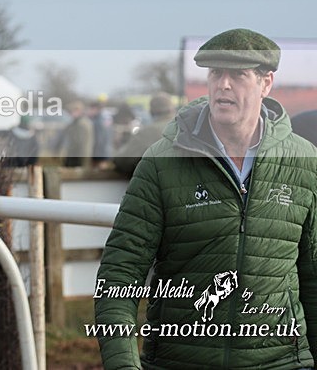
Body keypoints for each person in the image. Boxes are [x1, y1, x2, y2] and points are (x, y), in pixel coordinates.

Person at [95, 29, 317, 369]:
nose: (223, 85)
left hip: (281, 361)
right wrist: (123, 364)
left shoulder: (303, 161)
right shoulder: (161, 161)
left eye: (238, 75)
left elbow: (313, 278)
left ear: (266, 83)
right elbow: (119, 275)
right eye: (216, 73)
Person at [112, 92, 176, 178]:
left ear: (151, 111)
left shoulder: (148, 132)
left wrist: (117, 146)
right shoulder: (186, 129)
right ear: (173, 109)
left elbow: (123, 162)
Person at [56, 100, 94, 168]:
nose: (70, 113)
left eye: (72, 111)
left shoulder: (82, 124)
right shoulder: (75, 123)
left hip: (78, 157)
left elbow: (80, 143)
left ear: (79, 111)